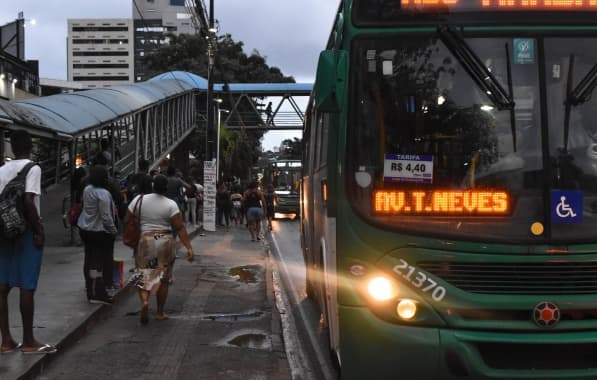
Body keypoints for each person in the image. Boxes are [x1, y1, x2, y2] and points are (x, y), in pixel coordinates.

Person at [0, 129, 57, 354]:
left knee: (2, 287)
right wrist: (39, 231)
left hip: (3, 231)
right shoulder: (33, 168)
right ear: (30, 146)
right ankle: (29, 341)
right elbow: (28, 200)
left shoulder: (2, 169)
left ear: (12, 148)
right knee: (26, 285)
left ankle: (6, 341)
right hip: (25, 232)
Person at [126, 174, 194, 324]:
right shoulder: (171, 204)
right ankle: (160, 312)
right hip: (165, 240)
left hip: (146, 240)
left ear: (152, 186)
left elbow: (127, 219)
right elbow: (180, 227)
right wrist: (189, 247)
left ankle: (144, 301)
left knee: (144, 274)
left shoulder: (139, 200)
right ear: (166, 188)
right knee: (164, 279)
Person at [77, 165, 118, 304]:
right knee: (99, 262)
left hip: (85, 228)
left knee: (88, 259)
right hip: (99, 231)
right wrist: (113, 231)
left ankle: (90, 289)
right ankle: (99, 292)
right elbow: (106, 216)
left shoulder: (87, 189)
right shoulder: (103, 194)